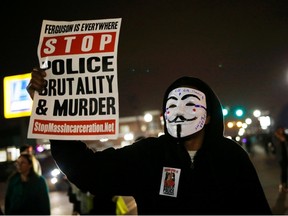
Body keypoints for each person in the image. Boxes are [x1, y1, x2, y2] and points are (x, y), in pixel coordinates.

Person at [27, 67, 272, 214]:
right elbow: (90, 171)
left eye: (189, 104)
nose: (178, 111)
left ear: (207, 116)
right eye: (172, 105)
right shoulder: (149, 155)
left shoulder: (231, 157)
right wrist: (50, 111)